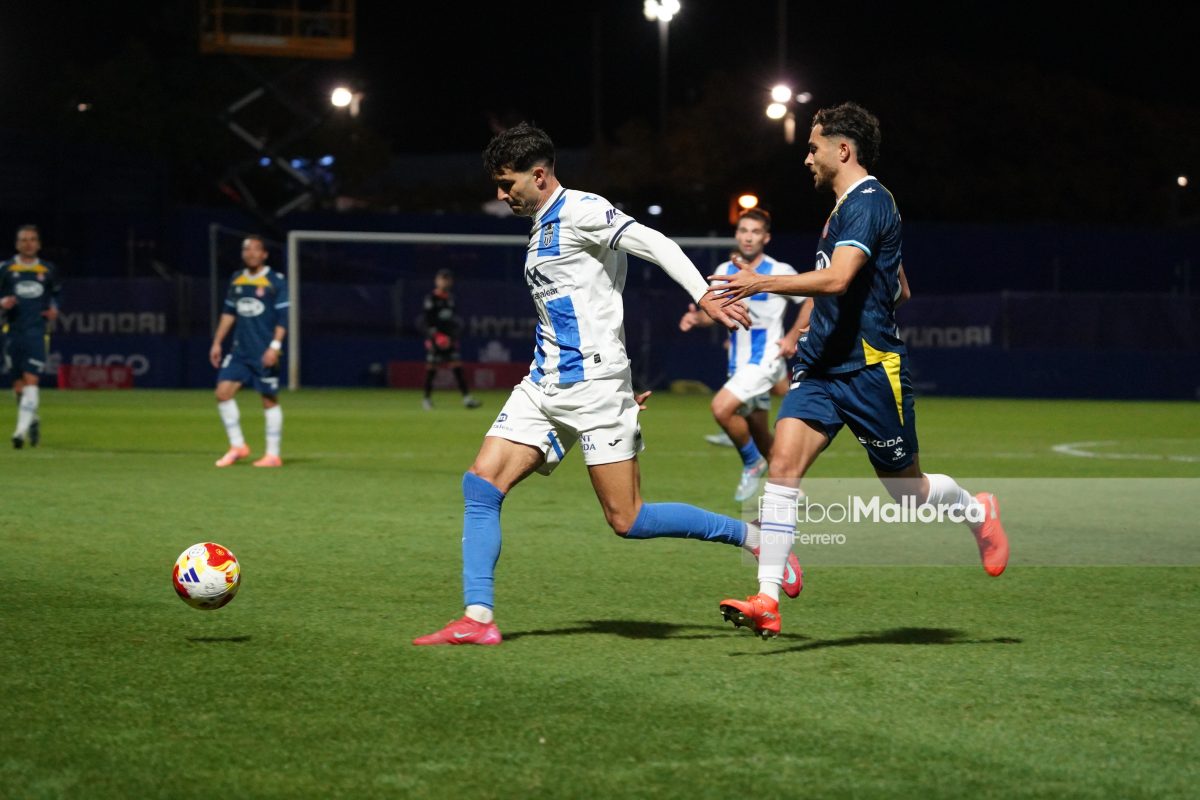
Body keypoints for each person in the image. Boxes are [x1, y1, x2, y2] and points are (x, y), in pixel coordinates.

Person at [413, 122, 802, 646]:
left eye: (507, 184)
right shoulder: (540, 225)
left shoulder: (582, 210)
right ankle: (478, 618)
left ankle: (756, 539)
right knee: (480, 486)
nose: (501, 195)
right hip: (544, 383)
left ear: (539, 174)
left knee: (628, 519)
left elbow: (656, 243)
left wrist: (703, 295)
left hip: (594, 386)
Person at [708, 102, 1008, 639]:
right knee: (783, 467)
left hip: (870, 370)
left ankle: (976, 510)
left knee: (908, 493)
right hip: (821, 368)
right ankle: (767, 599)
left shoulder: (869, 201)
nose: (807, 159)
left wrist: (762, 282)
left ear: (842, 150)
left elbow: (840, 279)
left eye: (813, 148)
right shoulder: (845, 209)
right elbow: (899, 286)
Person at [679, 213, 810, 503]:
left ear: (766, 237)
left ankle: (752, 463)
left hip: (766, 358)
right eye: (743, 230)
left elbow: (812, 298)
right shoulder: (725, 269)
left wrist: (792, 337)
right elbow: (716, 312)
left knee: (721, 408)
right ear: (737, 234)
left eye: (755, 231)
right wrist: (697, 319)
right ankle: (790, 491)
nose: (748, 236)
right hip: (738, 361)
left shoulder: (778, 270)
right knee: (761, 435)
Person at [208, 235, 289, 468]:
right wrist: (217, 342)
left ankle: (272, 455)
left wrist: (274, 347)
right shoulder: (237, 279)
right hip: (240, 351)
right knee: (222, 393)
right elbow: (229, 313)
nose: (251, 253)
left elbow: (283, 318)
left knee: (268, 400)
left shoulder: (275, 281)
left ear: (264, 254)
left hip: (264, 352)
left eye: (255, 249)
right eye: (246, 249)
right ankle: (238, 446)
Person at [0, 225, 61, 449]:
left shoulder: (48, 269)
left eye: (32, 239)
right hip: (12, 332)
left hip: (37, 332)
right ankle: (32, 419)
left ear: (39, 244)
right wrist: (2, 303)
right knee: (18, 386)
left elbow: (57, 294)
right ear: (17, 244)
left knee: (31, 379)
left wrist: (54, 309)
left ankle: (19, 433)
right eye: (24, 240)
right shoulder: (6, 269)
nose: (28, 243)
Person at [420, 268, 482, 410]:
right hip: (436, 339)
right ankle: (426, 399)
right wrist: (434, 337)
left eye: (447, 279)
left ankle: (467, 399)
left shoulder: (450, 299)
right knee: (431, 369)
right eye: (443, 279)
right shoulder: (431, 299)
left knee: (457, 367)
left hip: (449, 339)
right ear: (437, 281)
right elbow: (426, 321)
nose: (445, 282)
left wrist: (453, 338)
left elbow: (452, 321)